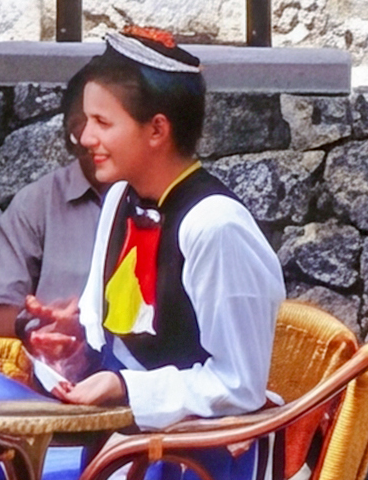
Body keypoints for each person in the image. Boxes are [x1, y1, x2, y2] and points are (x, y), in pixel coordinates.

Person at [26, 37, 285, 428]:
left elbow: (239, 385)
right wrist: (76, 342)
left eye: (102, 122)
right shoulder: (119, 199)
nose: (84, 138)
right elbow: (114, 342)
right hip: (121, 436)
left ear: (157, 130)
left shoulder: (215, 226)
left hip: (193, 460)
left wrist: (125, 387)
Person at [0, 103, 116, 349]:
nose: (90, 138)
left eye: (105, 123)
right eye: (82, 124)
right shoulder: (37, 202)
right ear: (70, 133)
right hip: (51, 379)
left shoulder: (172, 206)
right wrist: (38, 324)